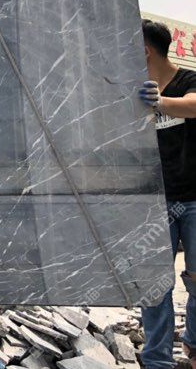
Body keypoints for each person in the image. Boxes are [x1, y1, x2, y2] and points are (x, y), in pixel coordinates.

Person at [139, 19, 196, 369]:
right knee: (154, 286)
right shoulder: (133, 90)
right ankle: (156, 360)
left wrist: (160, 102)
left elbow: (194, 105)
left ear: (145, 51)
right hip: (152, 204)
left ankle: (194, 344)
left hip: (193, 199)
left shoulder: (188, 80)